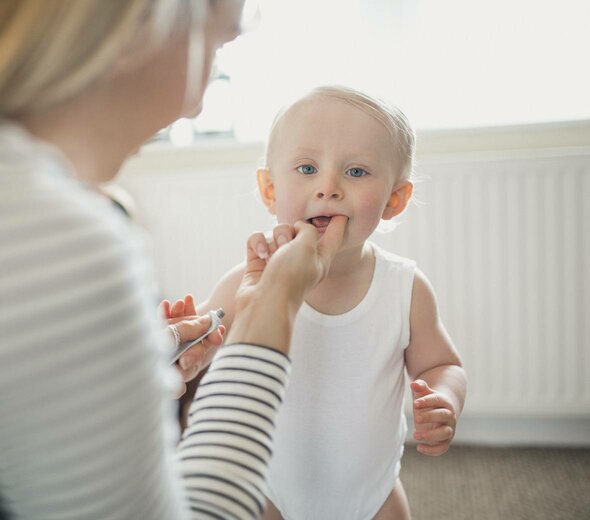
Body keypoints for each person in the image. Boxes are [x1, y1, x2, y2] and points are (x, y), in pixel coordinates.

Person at [0, 1, 347, 519]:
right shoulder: (61, 243)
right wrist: (271, 311)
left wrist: (137, 362)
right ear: (140, 25)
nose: (197, 105)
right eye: (217, 43)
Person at [191, 86, 468, 519]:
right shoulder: (252, 281)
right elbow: (203, 337)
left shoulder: (404, 287)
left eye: (356, 172)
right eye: (306, 168)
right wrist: (184, 337)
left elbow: (443, 364)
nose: (328, 188)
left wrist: (443, 398)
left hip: (372, 498)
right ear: (269, 188)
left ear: (395, 200)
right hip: (272, 493)